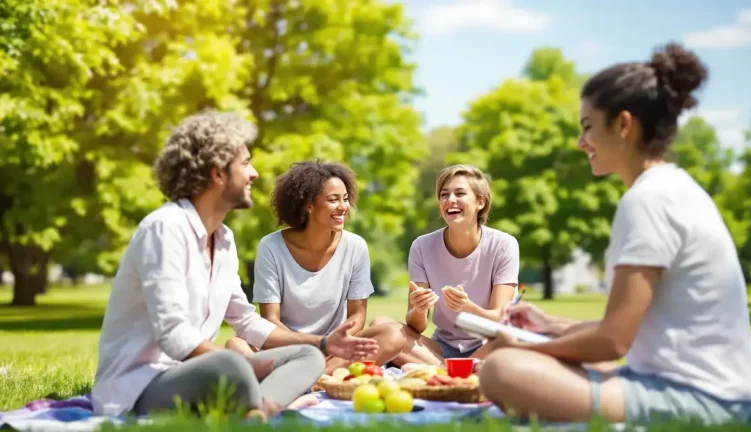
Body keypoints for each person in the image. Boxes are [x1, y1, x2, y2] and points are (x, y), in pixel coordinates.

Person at [479, 43, 751, 426]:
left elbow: (613, 342)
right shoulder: (670, 188)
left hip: (699, 400)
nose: (581, 143)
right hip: (706, 390)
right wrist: (548, 326)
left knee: (501, 368)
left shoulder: (648, 200)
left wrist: (525, 346)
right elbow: (631, 328)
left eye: (588, 127)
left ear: (623, 125)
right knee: (522, 360)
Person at [92, 111, 377, 420]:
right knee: (230, 361)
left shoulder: (224, 239)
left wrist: (322, 342)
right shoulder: (165, 228)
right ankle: (269, 403)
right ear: (218, 174)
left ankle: (260, 410)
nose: (253, 173)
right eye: (244, 164)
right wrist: (243, 366)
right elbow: (174, 335)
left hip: (200, 375)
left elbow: (248, 322)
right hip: (139, 387)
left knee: (308, 357)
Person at [226, 160, 405, 373]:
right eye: (333, 200)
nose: (343, 207)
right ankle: (316, 375)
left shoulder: (355, 246)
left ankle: (310, 378)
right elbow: (270, 319)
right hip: (287, 347)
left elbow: (357, 316)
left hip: (335, 350)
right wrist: (314, 344)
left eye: (345, 199)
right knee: (235, 345)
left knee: (393, 334)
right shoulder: (271, 247)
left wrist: (334, 344)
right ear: (308, 205)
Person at [370, 164, 520, 366]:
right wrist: (419, 309)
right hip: (440, 349)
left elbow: (500, 318)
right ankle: (454, 372)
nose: (450, 200)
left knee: (511, 339)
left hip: (487, 347)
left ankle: (446, 371)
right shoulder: (422, 246)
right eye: (444, 195)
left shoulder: (503, 245)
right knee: (380, 325)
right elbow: (416, 326)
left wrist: (469, 308)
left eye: (459, 193)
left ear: (480, 202)